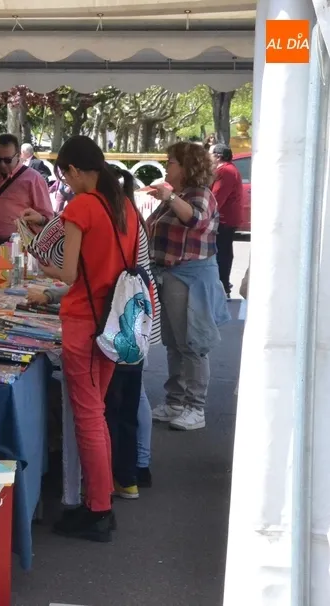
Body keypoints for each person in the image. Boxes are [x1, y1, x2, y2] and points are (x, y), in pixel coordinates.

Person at [33, 135, 139, 542]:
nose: (66, 182)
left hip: (85, 321)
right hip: (114, 321)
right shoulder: (123, 205)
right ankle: (100, 500)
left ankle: (98, 509)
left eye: (65, 175)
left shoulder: (82, 206)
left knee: (89, 416)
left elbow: (68, 273)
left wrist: (43, 264)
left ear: (75, 171)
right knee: (97, 412)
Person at [147, 142, 230, 431]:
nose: (166, 166)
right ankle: (176, 402)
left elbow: (195, 220)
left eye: (171, 162)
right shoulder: (179, 195)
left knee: (193, 344)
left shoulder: (200, 194)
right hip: (170, 275)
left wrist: (169, 197)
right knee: (174, 343)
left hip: (191, 277)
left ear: (186, 167)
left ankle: (195, 407)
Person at [209, 144, 244, 297]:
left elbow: (216, 198)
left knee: (222, 253)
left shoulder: (225, 171)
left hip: (224, 220)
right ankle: (223, 285)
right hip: (226, 218)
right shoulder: (227, 169)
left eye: (209, 153)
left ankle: (223, 286)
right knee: (223, 251)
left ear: (218, 156)